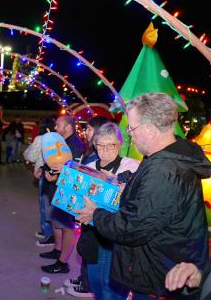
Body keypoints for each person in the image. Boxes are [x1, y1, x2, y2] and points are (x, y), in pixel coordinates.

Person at [76, 92, 211, 299]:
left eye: (131, 127)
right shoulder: (168, 157)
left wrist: (95, 214)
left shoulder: (164, 170)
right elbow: (154, 207)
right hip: (163, 268)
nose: (129, 133)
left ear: (149, 129)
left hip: (160, 277)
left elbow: (131, 227)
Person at [69, 123, 140, 299]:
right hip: (93, 236)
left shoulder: (132, 167)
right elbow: (75, 197)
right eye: (100, 145)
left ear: (120, 144)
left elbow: (141, 204)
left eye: (111, 145)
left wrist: (127, 187)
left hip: (117, 238)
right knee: (95, 284)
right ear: (95, 145)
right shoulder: (89, 167)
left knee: (112, 289)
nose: (105, 150)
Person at [65, 115, 109, 296]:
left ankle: (87, 283)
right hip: (85, 207)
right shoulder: (89, 151)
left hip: (94, 209)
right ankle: (84, 278)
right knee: (85, 245)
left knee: (91, 248)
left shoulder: (96, 155)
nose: (86, 131)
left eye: (90, 129)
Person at [41, 115, 84, 274]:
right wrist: (47, 171)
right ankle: (57, 249)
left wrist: (58, 176)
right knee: (55, 221)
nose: (56, 128)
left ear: (68, 126)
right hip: (55, 190)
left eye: (59, 125)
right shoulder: (59, 141)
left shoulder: (76, 146)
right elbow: (51, 161)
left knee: (67, 227)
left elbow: (75, 171)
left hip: (67, 193)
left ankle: (62, 262)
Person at [23, 117, 56, 247]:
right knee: (50, 204)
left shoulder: (41, 139)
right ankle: (48, 231)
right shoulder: (57, 139)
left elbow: (30, 155)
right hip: (55, 174)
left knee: (44, 205)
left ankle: (48, 234)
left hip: (44, 173)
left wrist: (25, 154)